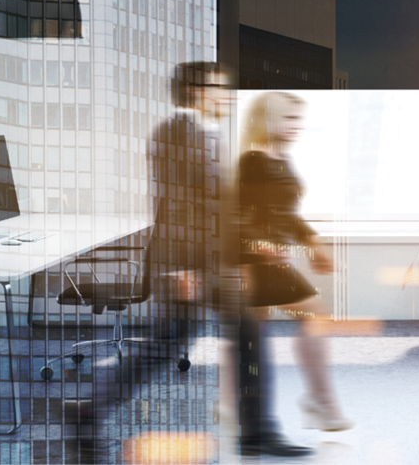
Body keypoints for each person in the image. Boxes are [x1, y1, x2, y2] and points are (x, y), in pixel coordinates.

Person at [238, 91, 353, 458]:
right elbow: (237, 216)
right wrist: (251, 259)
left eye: (297, 119)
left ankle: (260, 428)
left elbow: (287, 213)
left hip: (276, 260)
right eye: (287, 118)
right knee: (312, 318)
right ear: (266, 119)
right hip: (261, 263)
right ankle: (317, 402)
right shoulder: (252, 161)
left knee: (256, 345)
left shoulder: (279, 158)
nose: (295, 126)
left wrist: (312, 241)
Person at [148, 62, 230, 364]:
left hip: (204, 257)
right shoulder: (179, 135)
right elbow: (176, 203)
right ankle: (92, 408)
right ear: (196, 92)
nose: (225, 95)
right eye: (218, 89)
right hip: (188, 258)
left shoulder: (201, 134)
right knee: (163, 348)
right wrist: (183, 266)